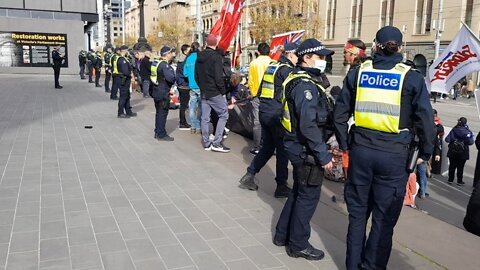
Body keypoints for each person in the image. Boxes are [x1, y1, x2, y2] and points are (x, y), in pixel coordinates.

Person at [333, 26, 435, 270]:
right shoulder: (411, 76)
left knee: (357, 217)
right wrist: (426, 153)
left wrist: (347, 145)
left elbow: (339, 114)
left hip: (360, 152)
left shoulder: (359, 72)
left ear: (375, 45)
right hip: (394, 157)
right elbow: (426, 120)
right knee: (383, 219)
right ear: (399, 47)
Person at [274, 39, 335, 260]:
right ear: (306, 58)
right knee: (308, 196)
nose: (324, 60)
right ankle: (298, 244)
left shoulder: (299, 78)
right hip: (305, 148)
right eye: (320, 56)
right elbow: (308, 125)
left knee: (300, 191)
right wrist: (323, 154)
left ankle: (282, 235)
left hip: (296, 145)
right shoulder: (305, 86)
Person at [238, 43, 298, 198]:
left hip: (265, 112)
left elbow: (261, 90)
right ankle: (281, 186)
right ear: (291, 55)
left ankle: (249, 175)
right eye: (298, 55)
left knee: (268, 148)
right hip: (276, 115)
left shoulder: (273, 67)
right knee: (282, 151)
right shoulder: (287, 70)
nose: (299, 59)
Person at [195, 34, 230, 153]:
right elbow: (218, 77)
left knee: (205, 118)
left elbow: (196, 76)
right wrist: (223, 92)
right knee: (223, 114)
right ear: (215, 44)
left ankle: (206, 143)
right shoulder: (216, 57)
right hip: (214, 91)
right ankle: (217, 142)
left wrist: (202, 87)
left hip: (204, 91)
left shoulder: (199, 56)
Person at [248, 42, 272, 155]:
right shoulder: (273, 63)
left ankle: (257, 146)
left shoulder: (254, 63)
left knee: (257, 122)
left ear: (258, 52)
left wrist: (253, 93)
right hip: (271, 96)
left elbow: (251, 80)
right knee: (270, 122)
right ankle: (271, 146)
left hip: (257, 95)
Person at [151, 46, 176, 141]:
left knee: (158, 112)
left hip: (156, 90)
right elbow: (170, 78)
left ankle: (157, 131)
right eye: (171, 53)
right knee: (162, 113)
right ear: (167, 54)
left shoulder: (156, 63)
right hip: (163, 91)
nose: (172, 55)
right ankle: (161, 134)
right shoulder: (164, 65)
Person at [445, 117, 474, 185]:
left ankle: (450, 179)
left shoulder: (454, 130)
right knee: (460, 167)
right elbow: (471, 142)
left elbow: (447, 140)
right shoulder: (468, 132)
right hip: (463, 152)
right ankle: (459, 181)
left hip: (452, 151)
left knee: (452, 166)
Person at [184, 42, 202, 134]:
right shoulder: (200, 57)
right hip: (200, 85)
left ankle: (193, 127)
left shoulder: (188, 58)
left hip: (191, 85)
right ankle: (199, 126)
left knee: (192, 107)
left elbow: (185, 73)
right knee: (200, 107)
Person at [116, 45, 137, 119]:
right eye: (127, 50)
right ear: (124, 51)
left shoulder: (124, 59)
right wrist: (130, 75)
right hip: (124, 80)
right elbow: (125, 71)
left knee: (127, 96)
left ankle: (128, 111)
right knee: (123, 97)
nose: (128, 52)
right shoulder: (122, 60)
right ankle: (120, 112)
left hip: (125, 80)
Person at [177, 44, 191, 130]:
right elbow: (186, 73)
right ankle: (182, 122)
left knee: (183, 104)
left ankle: (183, 121)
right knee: (184, 105)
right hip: (185, 85)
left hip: (181, 84)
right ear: (185, 51)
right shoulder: (185, 61)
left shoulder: (180, 60)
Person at [430, 109, 444, 175]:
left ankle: (429, 171)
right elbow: (442, 132)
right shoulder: (439, 121)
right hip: (438, 140)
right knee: (437, 156)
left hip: (432, 140)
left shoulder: (429, 120)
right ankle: (435, 170)